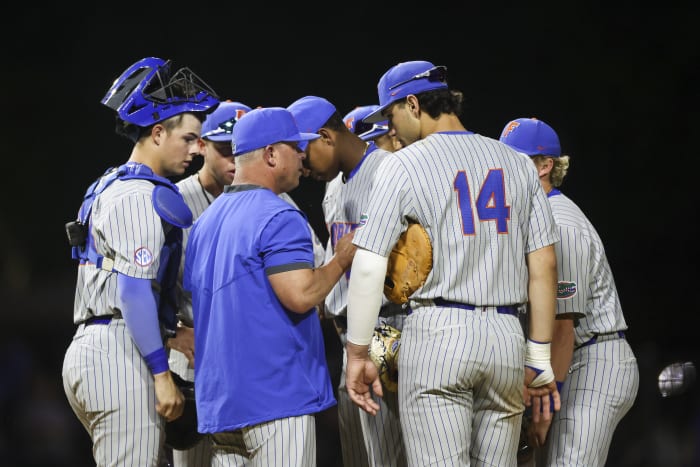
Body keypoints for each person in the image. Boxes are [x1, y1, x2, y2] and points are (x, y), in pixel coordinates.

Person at [343, 60, 561, 466]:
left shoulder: (402, 164)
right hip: (506, 336)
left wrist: (358, 354)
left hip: (439, 332)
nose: (391, 128)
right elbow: (544, 264)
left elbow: (370, 264)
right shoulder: (514, 161)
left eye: (391, 115)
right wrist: (539, 354)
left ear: (412, 103)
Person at [62, 56, 219, 466]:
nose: (195, 149)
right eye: (187, 138)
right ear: (156, 132)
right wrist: (162, 375)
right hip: (117, 353)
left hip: (103, 346)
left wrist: (170, 338)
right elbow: (132, 293)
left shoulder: (111, 184)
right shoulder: (137, 196)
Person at [182, 106, 357, 466]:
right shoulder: (277, 213)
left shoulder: (205, 221)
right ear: (271, 154)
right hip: (275, 397)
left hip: (219, 402)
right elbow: (301, 294)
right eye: (295, 147)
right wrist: (340, 259)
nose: (302, 156)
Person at [499, 117, 640, 466]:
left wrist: (546, 404)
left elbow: (563, 327)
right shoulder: (531, 216)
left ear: (546, 166)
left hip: (594, 360)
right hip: (566, 360)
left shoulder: (560, 223)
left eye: (517, 159)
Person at [288, 95, 407, 467]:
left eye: (303, 153)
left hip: (389, 328)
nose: (302, 166)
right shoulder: (334, 185)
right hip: (349, 339)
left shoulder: (391, 169)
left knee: (391, 456)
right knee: (358, 457)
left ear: (326, 136)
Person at [169, 100, 252, 466]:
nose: (233, 160)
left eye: (241, 150)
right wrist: (171, 332)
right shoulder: (174, 201)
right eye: (224, 149)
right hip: (192, 355)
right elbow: (145, 285)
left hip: (249, 357)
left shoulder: (269, 197)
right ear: (201, 145)